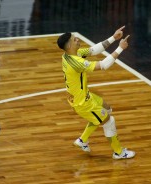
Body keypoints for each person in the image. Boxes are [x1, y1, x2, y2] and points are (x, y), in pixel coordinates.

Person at [57, 26, 135, 159]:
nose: (77, 39)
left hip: (84, 96)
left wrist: (113, 38)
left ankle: (82, 140)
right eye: (74, 39)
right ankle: (118, 152)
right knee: (109, 121)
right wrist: (120, 48)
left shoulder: (69, 55)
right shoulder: (77, 62)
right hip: (83, 103)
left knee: (107, 109)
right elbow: (103, 65)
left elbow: (94, 50)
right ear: (70, 45)